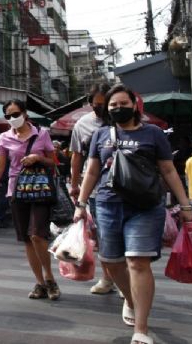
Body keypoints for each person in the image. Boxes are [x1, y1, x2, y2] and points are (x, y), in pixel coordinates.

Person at [75, 85, 192, 344]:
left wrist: (186, 206)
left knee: (137, 262)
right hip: (107, 204)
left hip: (145, 207)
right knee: (111, 260)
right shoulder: (100, 135)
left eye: (123, 104)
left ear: (135, 105)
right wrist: (81, 204)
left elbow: (169, 170)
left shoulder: (153, 133)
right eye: (112, 105)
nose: (118, 108)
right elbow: (92, 172)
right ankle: (129, 299)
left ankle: (141, 329)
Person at [0, 99, 60, 300]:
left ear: (25, 114)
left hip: (40, 189)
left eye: (15, 114)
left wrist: (38, 158)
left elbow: (54, 162)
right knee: (27, 239)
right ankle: (40, 282)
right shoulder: (4, 137)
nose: (12, 119)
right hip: (16, 191)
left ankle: (50, 278)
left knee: (37, 234)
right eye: (8, 116)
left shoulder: (41, 134)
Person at [68, 83, 117, 295]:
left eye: (104, 104)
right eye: (96, 105)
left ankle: (126, 277)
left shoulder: (125, 121)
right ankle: (109, 278)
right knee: (103, 237)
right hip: (97, 190)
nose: (100, 109)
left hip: (128, 189)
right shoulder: (83, 125)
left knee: (123, 236)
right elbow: (77, 156)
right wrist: (76, 184)